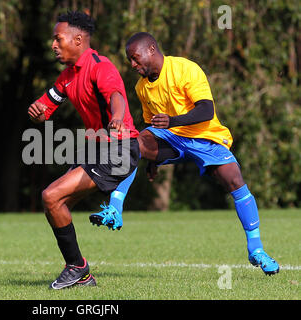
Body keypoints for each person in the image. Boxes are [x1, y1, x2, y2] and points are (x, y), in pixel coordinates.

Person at [94, 31, 278, 275]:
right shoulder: (142, 88)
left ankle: (256, 249)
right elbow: (152, 128)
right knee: (131, 144)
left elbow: (206, 110)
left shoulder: (185, 69)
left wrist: (173, 120)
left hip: (205, 137)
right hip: (171, 138)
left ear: (151, 49)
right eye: (130, 60)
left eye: (136, 58)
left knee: (236, 182)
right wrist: (152, 163)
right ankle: (115, 208)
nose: (133, 65)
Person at [28, 11, 140, 289]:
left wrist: (116, 117)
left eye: (58, 38)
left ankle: (77, 267)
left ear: (78, 39)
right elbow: (46, 108)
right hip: (96, 150)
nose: (53, 45)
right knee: (56, 204)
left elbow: (116, 95)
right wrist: (37, 112)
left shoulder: (101, 67)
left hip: (119, 150)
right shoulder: (67, 76)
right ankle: (81, 273)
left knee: (51, 196)